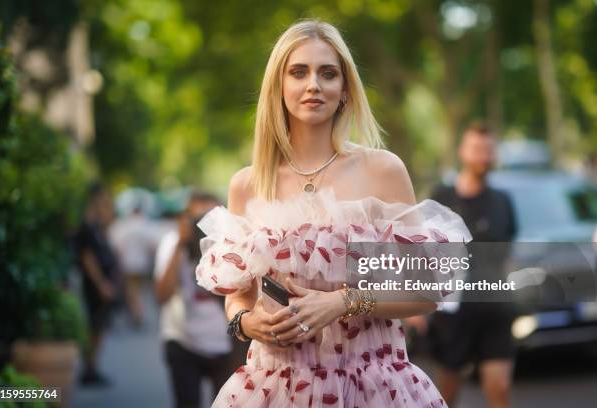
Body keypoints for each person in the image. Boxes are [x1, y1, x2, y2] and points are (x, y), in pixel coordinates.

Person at [193, 20, 471, 407]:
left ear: (344, 90)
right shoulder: (247, 183)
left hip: (372, 385)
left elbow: (426, 290)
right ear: (279, 86)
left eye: (328, 73)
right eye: (298, 72)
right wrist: (245, 323)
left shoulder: (382, 170)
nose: (313, 85)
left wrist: (343, 301)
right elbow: (238, 294)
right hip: (274, 386)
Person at [408, 123, 517, 408]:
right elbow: (422, 251)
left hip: (495, 307)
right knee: (447, 394)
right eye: (477, 149)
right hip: (454, 311)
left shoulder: (502, 201)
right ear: (463, 152)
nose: (484, 156)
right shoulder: (442, 197)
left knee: (500, 387)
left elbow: (508, 254)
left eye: (489, 150)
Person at [155, 191, 233, 408]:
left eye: (211, 219)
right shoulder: (172, 243)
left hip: (224, 342)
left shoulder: (231, 243)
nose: (203, 227)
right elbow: (162, 295)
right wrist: (181, 244)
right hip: (182, 340)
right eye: (198, 219)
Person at [75, 182, 120, 386]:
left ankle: (92, 367)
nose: (106, 201)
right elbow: (87, 258)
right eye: (103, 197)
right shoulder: (87, 225)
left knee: (100, 327)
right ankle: (89, 368)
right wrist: (102, 284)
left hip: (104, 283)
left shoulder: (97, 224)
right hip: (95, 287)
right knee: (95, 326)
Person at [109, 202, 159, 328]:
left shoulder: (123, 226)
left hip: (127, 264)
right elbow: (153, 246)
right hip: (142, 264)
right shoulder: (146, 226)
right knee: (139, 290)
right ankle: (138, 312)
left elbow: (116, 247)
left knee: (131, 290)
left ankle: (136, 313)